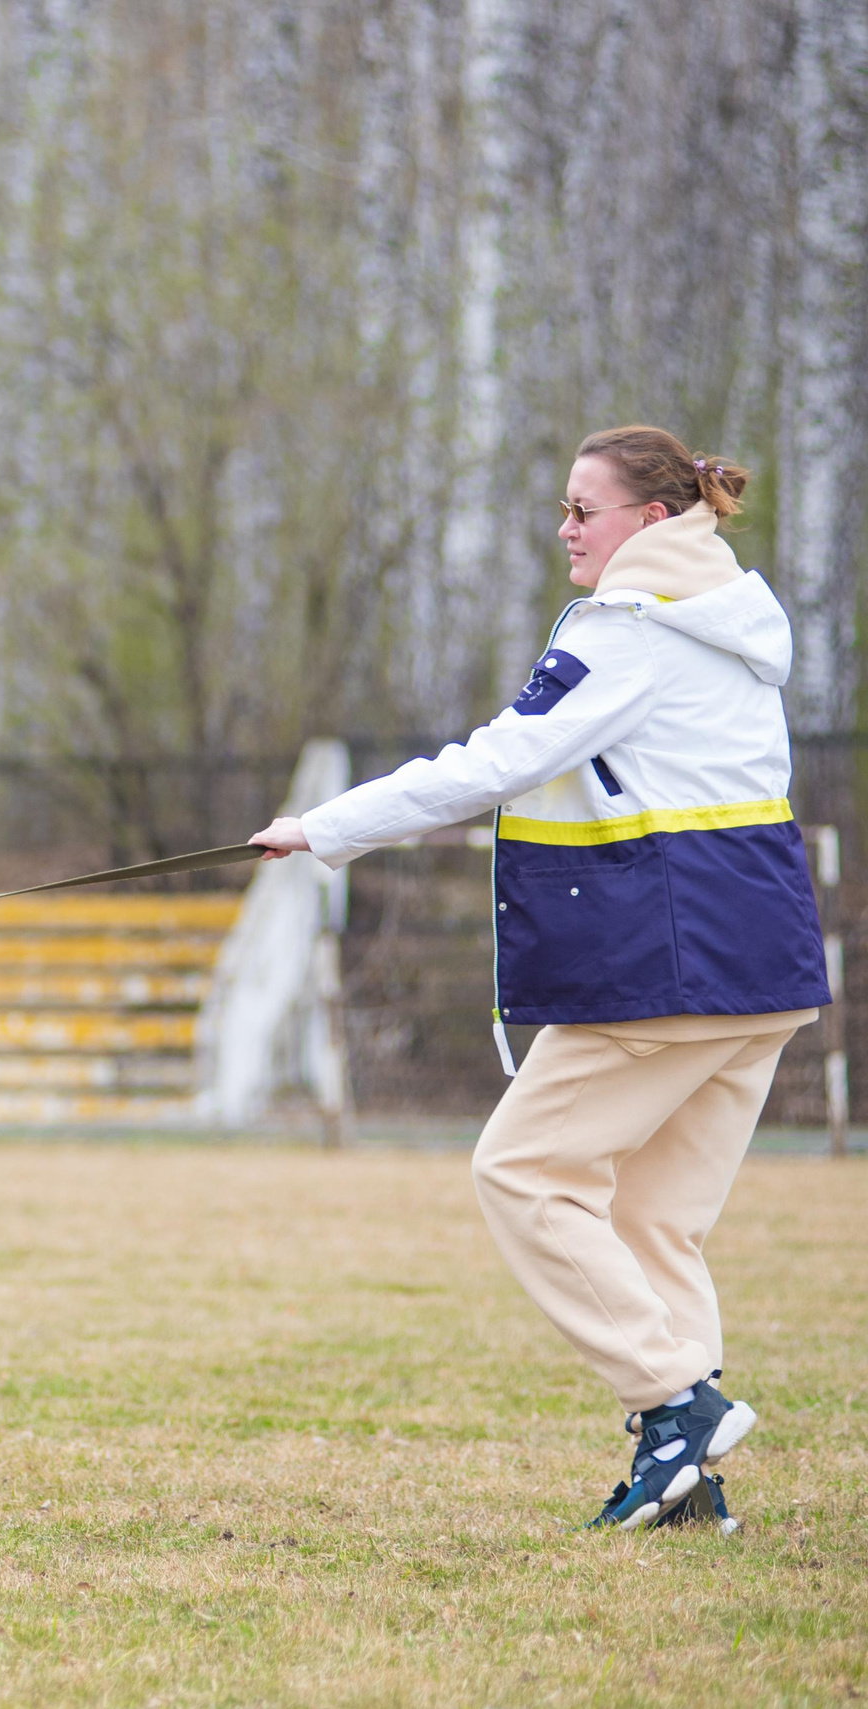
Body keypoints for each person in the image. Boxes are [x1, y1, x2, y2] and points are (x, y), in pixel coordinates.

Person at [251, 425, 830, 1532]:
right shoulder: (726, 629)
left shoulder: (634, 634)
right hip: (761, 966)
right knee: (657, 1221)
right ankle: (683, 1484)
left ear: (651, 522)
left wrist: (323, 829)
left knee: (520, 1170)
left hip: (673, 969)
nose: (564, 529)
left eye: (582, 508)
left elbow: (496, 761)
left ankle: (674, 1404)